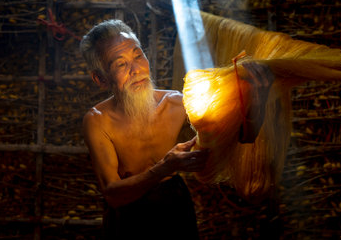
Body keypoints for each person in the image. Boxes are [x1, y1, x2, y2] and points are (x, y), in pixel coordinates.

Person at [80, 19, 274, 240]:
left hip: (175, 206)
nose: (136, 70)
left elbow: (243, 138)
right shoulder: (97, 121)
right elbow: (112, 194)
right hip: (128, 217)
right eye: (121, 64)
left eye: (138, 56)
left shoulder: (178, 104)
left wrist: (257, 101)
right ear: (101, 79)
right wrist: (165, 167)